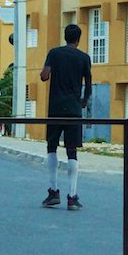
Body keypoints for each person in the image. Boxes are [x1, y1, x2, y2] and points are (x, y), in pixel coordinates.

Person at [40, 24, 93, 210]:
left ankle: (53, 191)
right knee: (72, 151)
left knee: (51, 147)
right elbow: (89, 85)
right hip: (73, 109)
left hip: (55, 108)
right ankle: (72, 196)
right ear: (78, 39)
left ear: (64, 37)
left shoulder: (54, 53)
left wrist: (48, 71)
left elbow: (44, 76)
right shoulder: (84, 58)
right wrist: (83, 101)